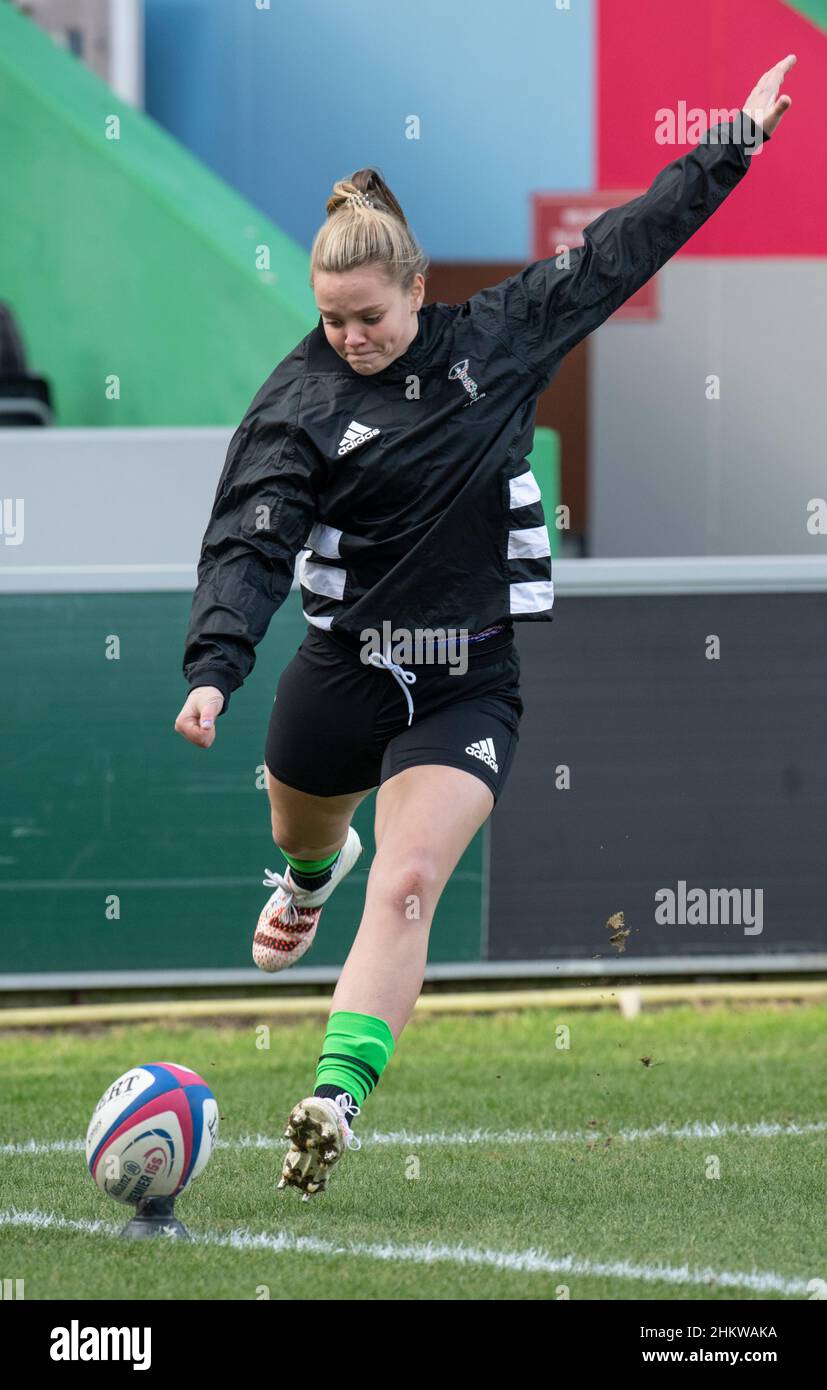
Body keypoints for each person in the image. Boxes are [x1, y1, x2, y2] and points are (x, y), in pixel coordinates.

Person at [175, 57, 795, 1201]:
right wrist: (216, 665)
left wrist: (731, 143)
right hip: (344, 671)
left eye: (368, 317)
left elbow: (617, 249)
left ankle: (332, 1098)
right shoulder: (297, 402)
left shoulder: (496, 339)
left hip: (467, 679)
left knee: (408, 878)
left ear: (417, 290)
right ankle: (307, 878)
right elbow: (250, 539)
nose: (349, 337)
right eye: (329, 319)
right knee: (312, 835)